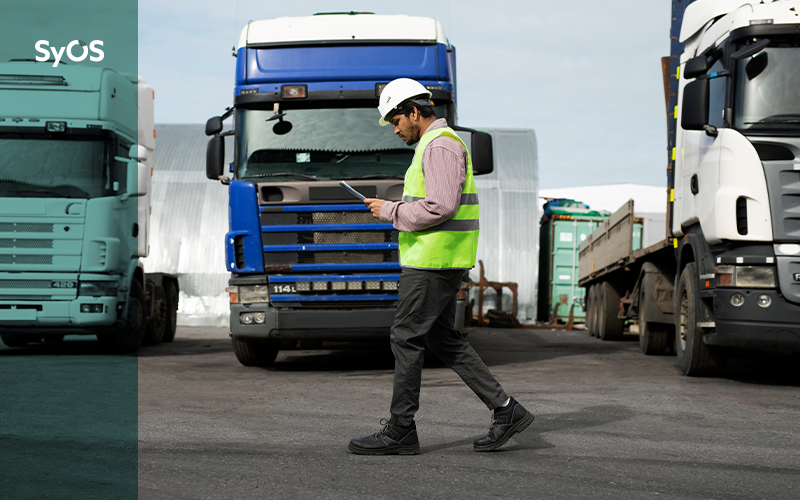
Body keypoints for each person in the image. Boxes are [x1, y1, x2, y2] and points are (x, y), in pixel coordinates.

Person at [348, 78, 534, 455]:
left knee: (405, 337)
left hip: (434, 263)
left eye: (396, 120)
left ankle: (401, 429)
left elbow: (441, 206)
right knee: (441, 339)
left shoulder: (441, 146)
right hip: (438, 259)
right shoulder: (436, 146)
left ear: (415, 112)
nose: (395, 128)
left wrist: (391, 211)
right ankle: (506, 409)